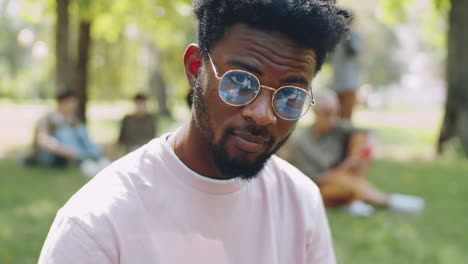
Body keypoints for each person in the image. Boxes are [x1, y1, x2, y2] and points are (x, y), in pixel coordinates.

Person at [39, 1, 351, 263]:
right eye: (240, 83)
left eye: (290, 96)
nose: (263, 115)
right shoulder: (96, 224)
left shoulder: (300, 200)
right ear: (194, 68)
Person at [281, 91, 425, 216]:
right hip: (321, 187)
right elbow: (317, 179)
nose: (332, 118)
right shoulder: (301, 142)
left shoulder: (338, 128)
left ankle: (352, 200)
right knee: (338, 187)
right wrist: (343, 169)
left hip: (344, 176)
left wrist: (360, 155)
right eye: (327, 113)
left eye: (335, 113)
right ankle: (387, 200)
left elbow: (369, 133)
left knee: (360, 139)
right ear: (315, 112)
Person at [25, 90, 109, 176]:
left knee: (81, 129)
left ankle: (96, 157)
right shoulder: (47, 118)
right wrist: (60, 148)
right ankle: (84, 161)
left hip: (67, 156)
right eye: (71, 103)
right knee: (64, 132)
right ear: (62, 103)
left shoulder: (72, 120)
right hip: (49, 155)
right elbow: (42, 139)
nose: (74, 106)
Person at [331, 17, 363, 121]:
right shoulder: (336, 39)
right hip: (337, 82)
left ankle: (345, 136)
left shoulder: (354, 36)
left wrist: (346, 34)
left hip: (349, 83)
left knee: (346, 116)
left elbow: (353, 50)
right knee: (336, 115)